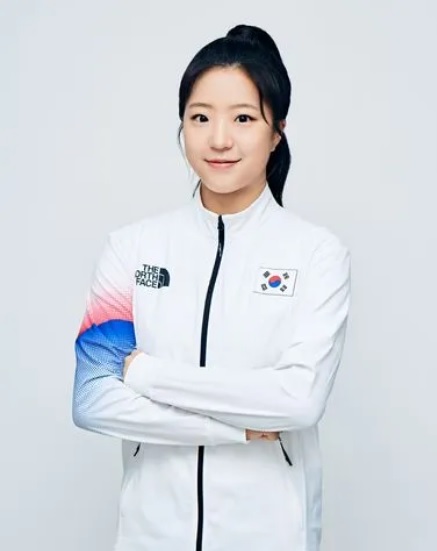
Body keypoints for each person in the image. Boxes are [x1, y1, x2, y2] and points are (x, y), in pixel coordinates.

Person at [73, 23, 351, 551]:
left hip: (270, 534)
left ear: (278, 131)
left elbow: (298, 401)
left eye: (243, 118)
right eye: (200, 117)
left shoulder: (317, 254)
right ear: (181, 125)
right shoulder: (131, 248)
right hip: (150, 534)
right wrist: (237, 430)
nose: (219, 139)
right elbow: (91, 398)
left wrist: (145, 373)